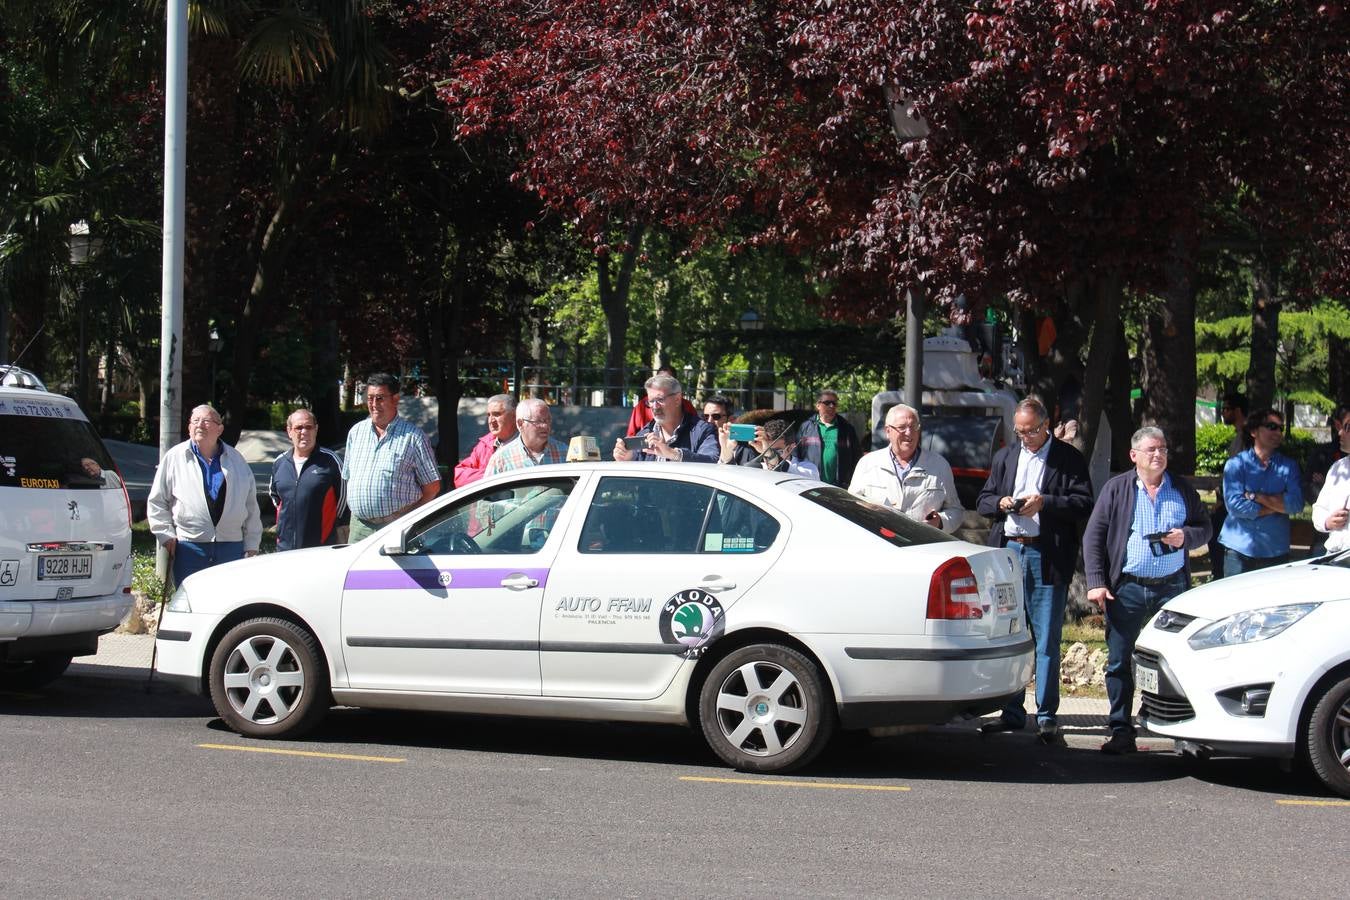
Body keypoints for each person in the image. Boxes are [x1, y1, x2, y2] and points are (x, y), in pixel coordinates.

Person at [1083, 426, 1211, 754]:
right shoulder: (1117, 489)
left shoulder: (1180, 488)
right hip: (1126, 588)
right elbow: (1093, 537)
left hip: (1172, 588)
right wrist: (1097, 582)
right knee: (1119, 659)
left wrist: (1187, 537)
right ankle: (1121, 728)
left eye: (1163, 449)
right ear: (1134, 455)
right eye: (1152, 450)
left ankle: (1183, 730)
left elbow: (1204, 527)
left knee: (1178, 660)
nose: (1159, 455)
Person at [975, 399, 1093, 745]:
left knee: (1045, 638)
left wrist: (1047, 503)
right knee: (1012, 635)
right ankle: (1011, 711)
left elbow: (1084, 501)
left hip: (1046, 553)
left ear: (1046, 425)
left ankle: (1046, 715)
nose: (1024, 437)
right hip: (1009, 552)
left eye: (1030, 430)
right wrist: (1001, 503)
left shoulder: (1067, 459)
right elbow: (983, 500)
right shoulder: (1006, 457)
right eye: (1019, 431)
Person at [147, 404, 262, 586]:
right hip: (189, 547)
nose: (200, 425)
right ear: (189, 427)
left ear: (220, 429)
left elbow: (250, 506)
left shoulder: (236, 460)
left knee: (228, 602)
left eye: (206, 421)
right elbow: (157, 501)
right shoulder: (174, 457)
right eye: (195, 421)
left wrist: (252, 544)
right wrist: (166, 535)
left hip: (231, 546)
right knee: (190, 602)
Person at [343, 374, 441, 542]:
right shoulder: (356, 432)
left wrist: (410, 520)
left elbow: (432, 486)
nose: (374, 405)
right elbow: (347, 477)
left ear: (395, 399)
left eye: (380, 398)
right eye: (370, 398)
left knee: (392, 570)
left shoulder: (413, 437)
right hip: (359, 527)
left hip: (396, 527)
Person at [847, 403, 963, 534]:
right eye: (902, 427)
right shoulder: (868, 464)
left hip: (923, 546)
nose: (909, 433)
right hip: (880, 545)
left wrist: (940, 522)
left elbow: (956, 511)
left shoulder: (939, 465)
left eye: (914, 427)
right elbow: (852, 506)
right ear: (888, 431)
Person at [1217, 406, 1304, 576]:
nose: (1278, 432)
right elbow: (1235, 506)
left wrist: (1255, 496)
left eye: (1281, 428)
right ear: (1254, 431)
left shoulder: (1289, 466)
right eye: (1272, 427)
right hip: (1238, 549)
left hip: (1275, 550)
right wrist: (1276, 506)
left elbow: (1296, 504)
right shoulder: (1236, 464)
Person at [269, 408, 346, 551]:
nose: (304, 432)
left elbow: (342, 502)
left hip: (319, 548)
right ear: (289, 431)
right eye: (298, 428)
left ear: (316, 429)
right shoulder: (280, 462)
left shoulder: (331, 461)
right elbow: (276, 499)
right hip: (284, 548)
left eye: (308, 427)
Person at [613, 374, 720, 463]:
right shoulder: (644, 433)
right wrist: (626, 458)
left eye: (660, 399)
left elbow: (712, 461)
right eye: (651, 401)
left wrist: (673, 454)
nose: (655, 407)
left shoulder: (703, 430)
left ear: (677, 399)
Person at [1207, 391, 1248, 579]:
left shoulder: (1247, 438)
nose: (1223, 413)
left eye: (1226, 409)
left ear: (1237, 411)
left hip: (1237, 501)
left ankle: (1219, 576)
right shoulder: (1238, 436)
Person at [794, 389, 863, 487]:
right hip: (811, 485)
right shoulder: (806, 428)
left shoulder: (846, 428)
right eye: (827, 403)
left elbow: (857, 457)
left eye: (834, 403)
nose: (831, 406)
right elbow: (796, 455)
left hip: (839, 487)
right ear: (818, 405)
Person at [484, 397, 568, 473]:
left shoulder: (564, 452)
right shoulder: (502, 459)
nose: (545, 426)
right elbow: (487, 489)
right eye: (539, 421)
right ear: (520, 424)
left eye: (548, 420)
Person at [719, 418, 820, 478]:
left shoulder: (808, 469)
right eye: (765, 447)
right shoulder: (755, 467)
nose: (766, 453)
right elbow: (724, 476)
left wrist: (769, 453)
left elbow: (784, 470)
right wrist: (726, 449)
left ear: (791, 448)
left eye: (777, 451)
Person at [454, 394, 518, 487]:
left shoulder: (528, 443)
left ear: (514, 416)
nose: (491, 420)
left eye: (496, 414)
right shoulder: (485, 444)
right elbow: (460, 476)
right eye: (489, 415)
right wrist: (494, 476)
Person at [1312, 412, 1350, 555]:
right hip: (1334, 555)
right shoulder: (1338, 468)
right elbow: (1319, 508)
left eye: (1347, 427)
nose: (1340, 433)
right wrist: (1327, 522)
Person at [625, 364, 697, 436]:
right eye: (660, 380)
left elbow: (695, 429)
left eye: (667, 381)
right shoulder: (641, 406)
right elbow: (631, 436)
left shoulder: (686, 405)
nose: (655, 406)